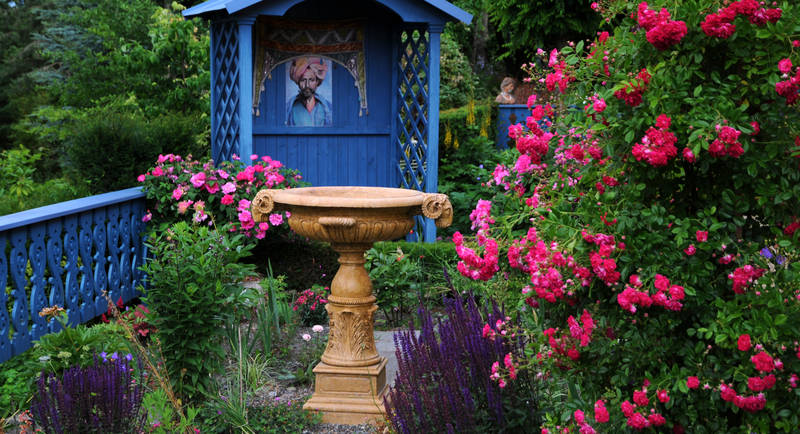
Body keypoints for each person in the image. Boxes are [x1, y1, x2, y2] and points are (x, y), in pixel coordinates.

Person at [286, 57, 332, 126]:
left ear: (317, 82)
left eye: (311, 80)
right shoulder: (289, 108)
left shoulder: (328, 108)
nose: (307, 85)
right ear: (298, 82)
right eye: (303, 80)